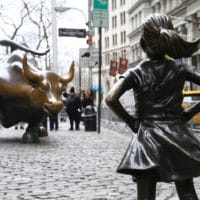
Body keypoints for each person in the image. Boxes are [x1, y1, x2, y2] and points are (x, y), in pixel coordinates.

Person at [106, 13, 200, 200]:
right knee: (187, 190)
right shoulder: (180, 69)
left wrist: (132, 123)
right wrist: (188, 114)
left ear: (142, 44)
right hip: (178, 135)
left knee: (146, 193)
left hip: (147, 137)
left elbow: (110, 99)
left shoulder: (136, 72)